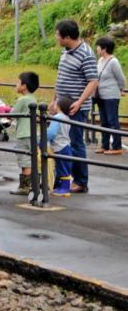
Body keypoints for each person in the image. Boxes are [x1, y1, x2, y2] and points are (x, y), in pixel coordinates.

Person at [54, 19, 99, 193]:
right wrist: (54, 100)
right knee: (61, 141)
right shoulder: (65, 52)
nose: (56, 38)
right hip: (62, 105)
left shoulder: (85, 53)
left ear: (66, 37)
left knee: (75, 142)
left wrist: (79, 102)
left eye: (58, 35)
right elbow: (61, 77)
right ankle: (65, 177)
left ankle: (80, 181)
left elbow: (93, 81)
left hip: (76, 107)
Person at [9, 71, 40, 195]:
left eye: (18, 82)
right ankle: (35, 184)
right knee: (32, 159)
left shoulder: (23, 100)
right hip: (33, 133)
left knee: (24, 160)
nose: (16, 85)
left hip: (23, 133)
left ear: (24, 86)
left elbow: (12, 114)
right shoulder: (33, 99)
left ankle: (24, 187)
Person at [94, 35, 125, 154]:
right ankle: (105, 145)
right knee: (104, 122)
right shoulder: (100, 60)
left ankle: (117, 147)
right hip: (101, 96)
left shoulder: (114, 62)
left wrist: (121, 89)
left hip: (111, 96)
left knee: (113, 121)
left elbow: (121, 78)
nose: (97, 48)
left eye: (98, 46)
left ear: (104, 49)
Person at [47, 95, 74, 196]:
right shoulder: (67, 118)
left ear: (58, 106)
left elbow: (52, 133)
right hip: (66, 145)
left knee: (63, 168)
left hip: (59, 146)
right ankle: (61, 187)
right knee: (64, 166)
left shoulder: (57, 117)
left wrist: (43, 138)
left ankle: (65, 188)